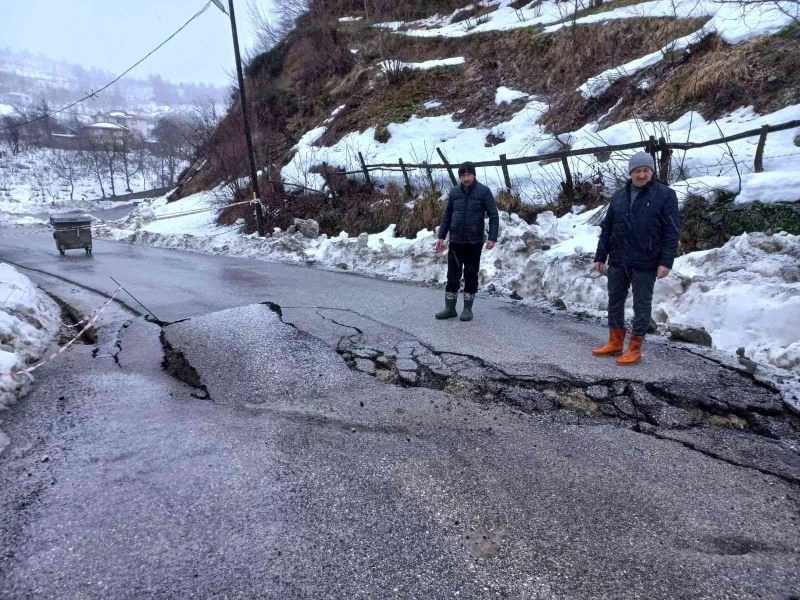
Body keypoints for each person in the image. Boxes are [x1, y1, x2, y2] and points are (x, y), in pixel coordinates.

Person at [592, 152, 681, 365]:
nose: (641, 175)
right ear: (630, 173)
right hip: (619, 259)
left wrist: (666, 261)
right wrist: (600, 255)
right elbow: (607, 228)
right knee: (615, 301)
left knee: (641, 305)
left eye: (645, 170)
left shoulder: (665, 195)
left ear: (652, 172)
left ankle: (634, 348)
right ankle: (615, 341)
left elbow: (672, 230)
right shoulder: (619, 196)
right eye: (637, 171)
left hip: (646, 260)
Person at [434, 161, 499, 322]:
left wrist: (492, 237)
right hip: (456, 241)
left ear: (474, 175)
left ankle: (467, 309)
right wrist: (441, 236)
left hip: (474, 242)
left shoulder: (484, 191)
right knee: (452, 275)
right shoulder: (454, 192)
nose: (466, 178)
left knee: (471, 275)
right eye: (463, 175)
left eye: (469, 174)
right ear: (460, 177)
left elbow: (493, 215)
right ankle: (450, 308)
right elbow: (447, 215)